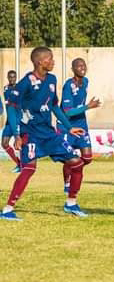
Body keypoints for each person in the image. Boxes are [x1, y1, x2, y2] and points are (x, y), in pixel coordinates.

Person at [1, 47, 88, 220]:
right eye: (50, 59)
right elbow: (11, 107)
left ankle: (71, 204)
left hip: (49, 134)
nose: (53, 61)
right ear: (40, 61)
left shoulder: (52, 79)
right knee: (28, 169)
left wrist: (69, 126)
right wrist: (17, 134)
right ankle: (7, 209)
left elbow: (54, 105)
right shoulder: (26, 82)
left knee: (77, 163)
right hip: (30, 134)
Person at [58, 58, 101, 193]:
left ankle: (73, 169)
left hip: (81, 124)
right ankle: (67, 183)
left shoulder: (86, 82)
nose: (82, 68)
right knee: (69, 157)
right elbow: (68, 112)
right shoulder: (68, 86)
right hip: (67, 125)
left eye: (84, 65)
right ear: (73, 69)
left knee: (87, 158)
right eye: (78, 66)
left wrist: (86, 107)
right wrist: (88, 106)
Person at [1, 71, 20, 172]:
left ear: (16, 77)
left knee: (19, 144)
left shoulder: (20, 89)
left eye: (14, 77)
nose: (12, 79)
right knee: (4, 143)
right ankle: (19, 164)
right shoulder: (6, 89)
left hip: (18, 120)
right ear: (8, 78)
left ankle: (26, 165)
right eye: (10, 77)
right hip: (9, 121)